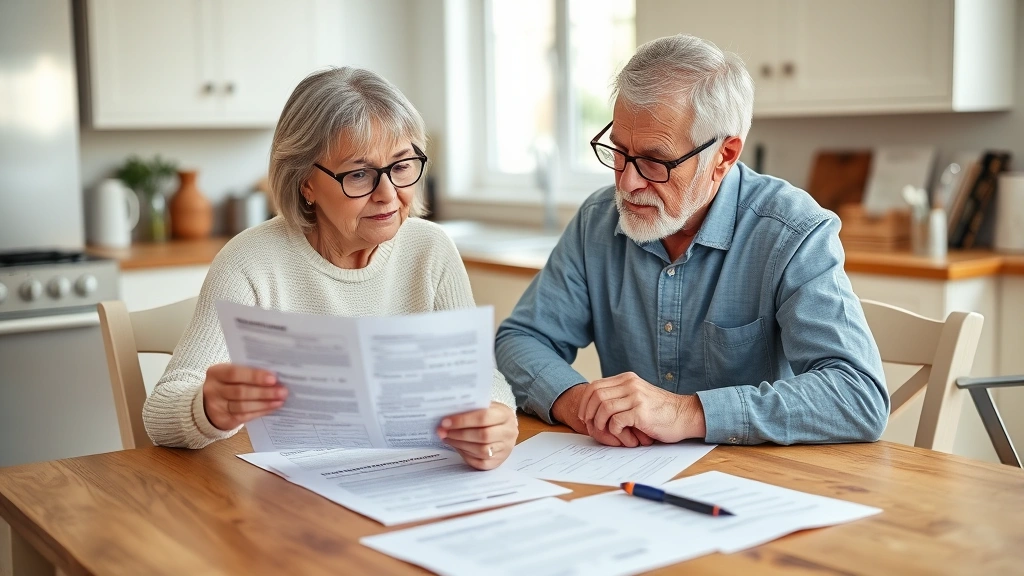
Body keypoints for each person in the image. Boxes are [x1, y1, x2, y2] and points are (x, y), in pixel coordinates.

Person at [495, 34, 889, 448]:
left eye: (654, 161)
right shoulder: (598, 221)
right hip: (626, 479)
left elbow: (857, 395)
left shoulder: (791, 232)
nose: (628, 183)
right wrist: (577, 402)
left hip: (755, 486)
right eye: (619, 152)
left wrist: (687, 413)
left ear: (723, 156)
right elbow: (520, 340)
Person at [143, 68, 517, 470]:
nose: (388, 194)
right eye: (359, 174)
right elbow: (161, 415)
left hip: (412, 480)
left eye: (402, 165)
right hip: (292, 495)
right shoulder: (250, 262)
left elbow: (481, 376)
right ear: (306, 182)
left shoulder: (431, 249)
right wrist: (209, 407)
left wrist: (496, 416)